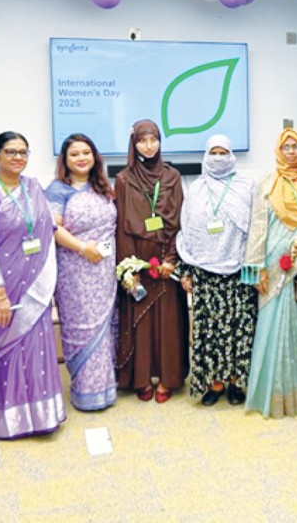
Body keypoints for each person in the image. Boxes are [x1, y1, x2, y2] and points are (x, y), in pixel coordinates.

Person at [0, 132, 66, 438]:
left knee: (37, 350)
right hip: (1, 288)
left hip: (35, 283)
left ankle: (41, 416)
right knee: (5, 350)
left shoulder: (33, 187)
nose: (18, 158)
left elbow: (48, 230)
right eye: (11, 152)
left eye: (23, 152)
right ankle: (5, 420)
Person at [243, 128, 297, 418]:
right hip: (274, 266)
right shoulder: (267, 183)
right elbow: (258, 228)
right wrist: (256, 269)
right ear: (278, 151)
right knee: (272, 328)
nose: (291, 152)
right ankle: (275, 393)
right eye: (286, 147)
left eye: (296, 146)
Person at [175, 135, 257, 406]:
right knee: (210, 331)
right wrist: (186, 270)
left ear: (231, 155)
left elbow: (256, 227)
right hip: (205, 270)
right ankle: (214, 383)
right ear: (206, 156)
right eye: (214, 153)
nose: (219, 158)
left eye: (223, 153)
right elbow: (187, 229)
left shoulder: (246, 186)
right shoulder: (196, 189)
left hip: (239, 269)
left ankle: (235, 382)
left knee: (239, 329)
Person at [115, 120, 187, 403]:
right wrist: (129, 268)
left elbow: (180, 220)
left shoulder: (172, 176)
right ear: (134, 145)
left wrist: (171, 259)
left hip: (166, 258)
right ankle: (142, 377)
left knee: (168, 320)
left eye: (153, 139)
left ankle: (167, 378)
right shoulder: (124, 179)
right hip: (137, 258)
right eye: (142, 141)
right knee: (141, 320)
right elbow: (122, 226)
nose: (148, 146)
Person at [46, 133, 118, 412]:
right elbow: (53, 228)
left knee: (107, 326)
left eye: (86, 152)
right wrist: (82, 248)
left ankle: (107, 386)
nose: (81, 158)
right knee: (83, 328)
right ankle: (87, 391)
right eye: (74, 154)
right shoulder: (57, 190)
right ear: (65, 160)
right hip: (75, 270)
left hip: (105, 270)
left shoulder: (102, 187)